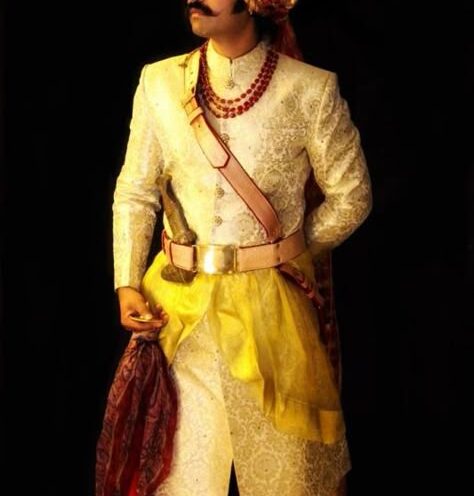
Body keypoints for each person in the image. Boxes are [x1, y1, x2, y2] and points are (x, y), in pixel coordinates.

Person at [112, 0, 372, 495]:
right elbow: (135, 191)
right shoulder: (160, 82)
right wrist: (126, 281)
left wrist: (286, 254)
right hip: (176, 315)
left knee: (287, 480)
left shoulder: (309, 89)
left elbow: (352, 195)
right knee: (177, 478)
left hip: (274, 318)